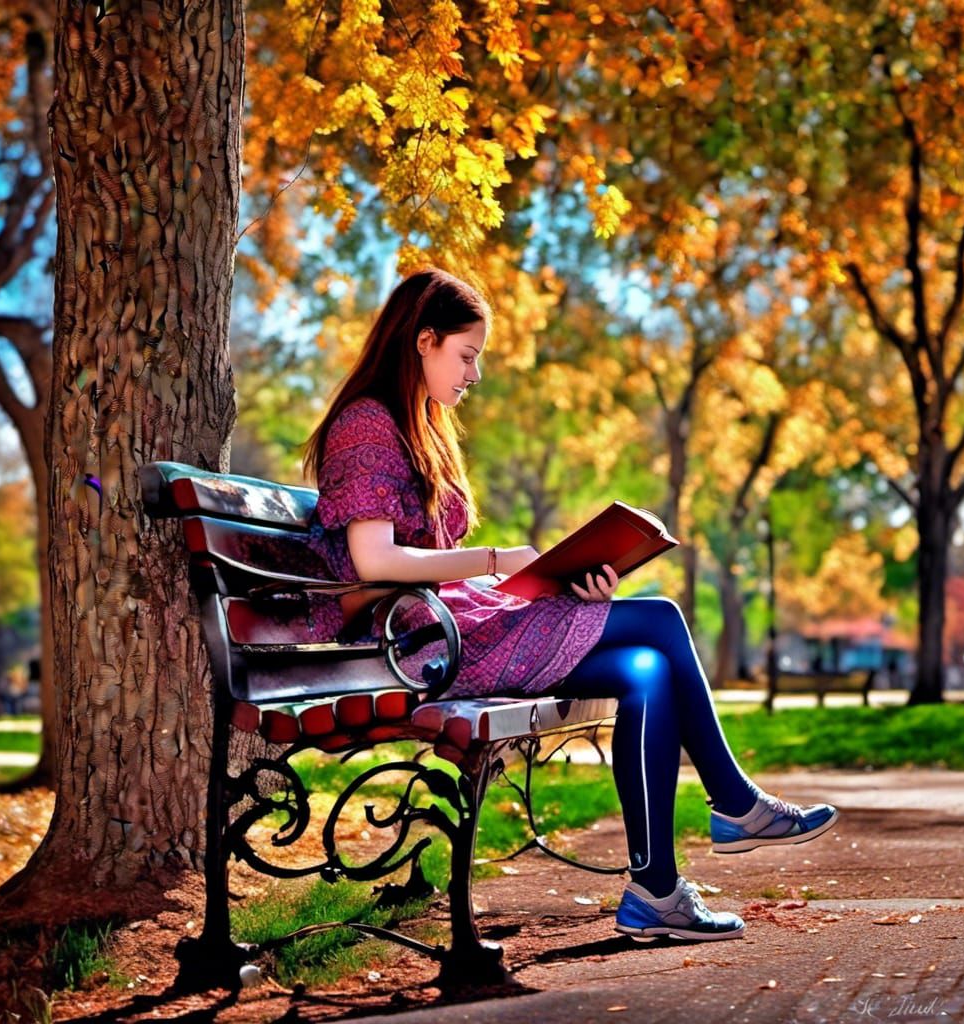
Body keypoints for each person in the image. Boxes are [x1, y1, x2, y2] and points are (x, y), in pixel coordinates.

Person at [302, 267, 838, 943]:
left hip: (452, 627)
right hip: (420, 653)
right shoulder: (366, 426)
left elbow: (424, 564)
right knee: (664, 619)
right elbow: (374, 562)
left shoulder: (419, 428)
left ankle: (656, 890)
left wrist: (557, 582)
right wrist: (499, 561)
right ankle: (733, 803)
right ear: (423, 341)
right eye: (466, 357)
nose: (473, 375)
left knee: (645, 668)